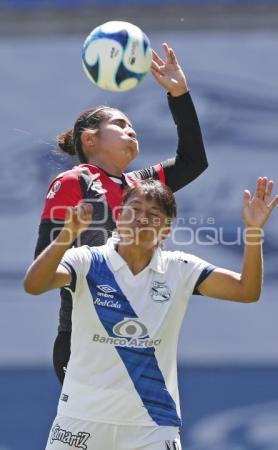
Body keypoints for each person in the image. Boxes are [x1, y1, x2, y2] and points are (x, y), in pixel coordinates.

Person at [24, 177, 278, 450]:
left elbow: (246, 291)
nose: (142, 218)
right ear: (119, 215)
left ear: (166, 230)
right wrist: (66, 236)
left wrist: (253, 232)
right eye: (134, 208)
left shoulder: (180, 269)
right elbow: (34, 285)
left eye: (154, 214)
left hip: (152, 426)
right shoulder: (87, 260)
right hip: (80, 419)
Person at [34, 43, 209, 384]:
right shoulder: (74, 181)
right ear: (90, 140)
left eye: (133, 126)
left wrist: (179, 94)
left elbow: (193, 162)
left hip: (140, 330)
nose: (132, 130)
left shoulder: (138, 187)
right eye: (119, 124)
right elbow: (44, 260)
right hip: (86, 335)